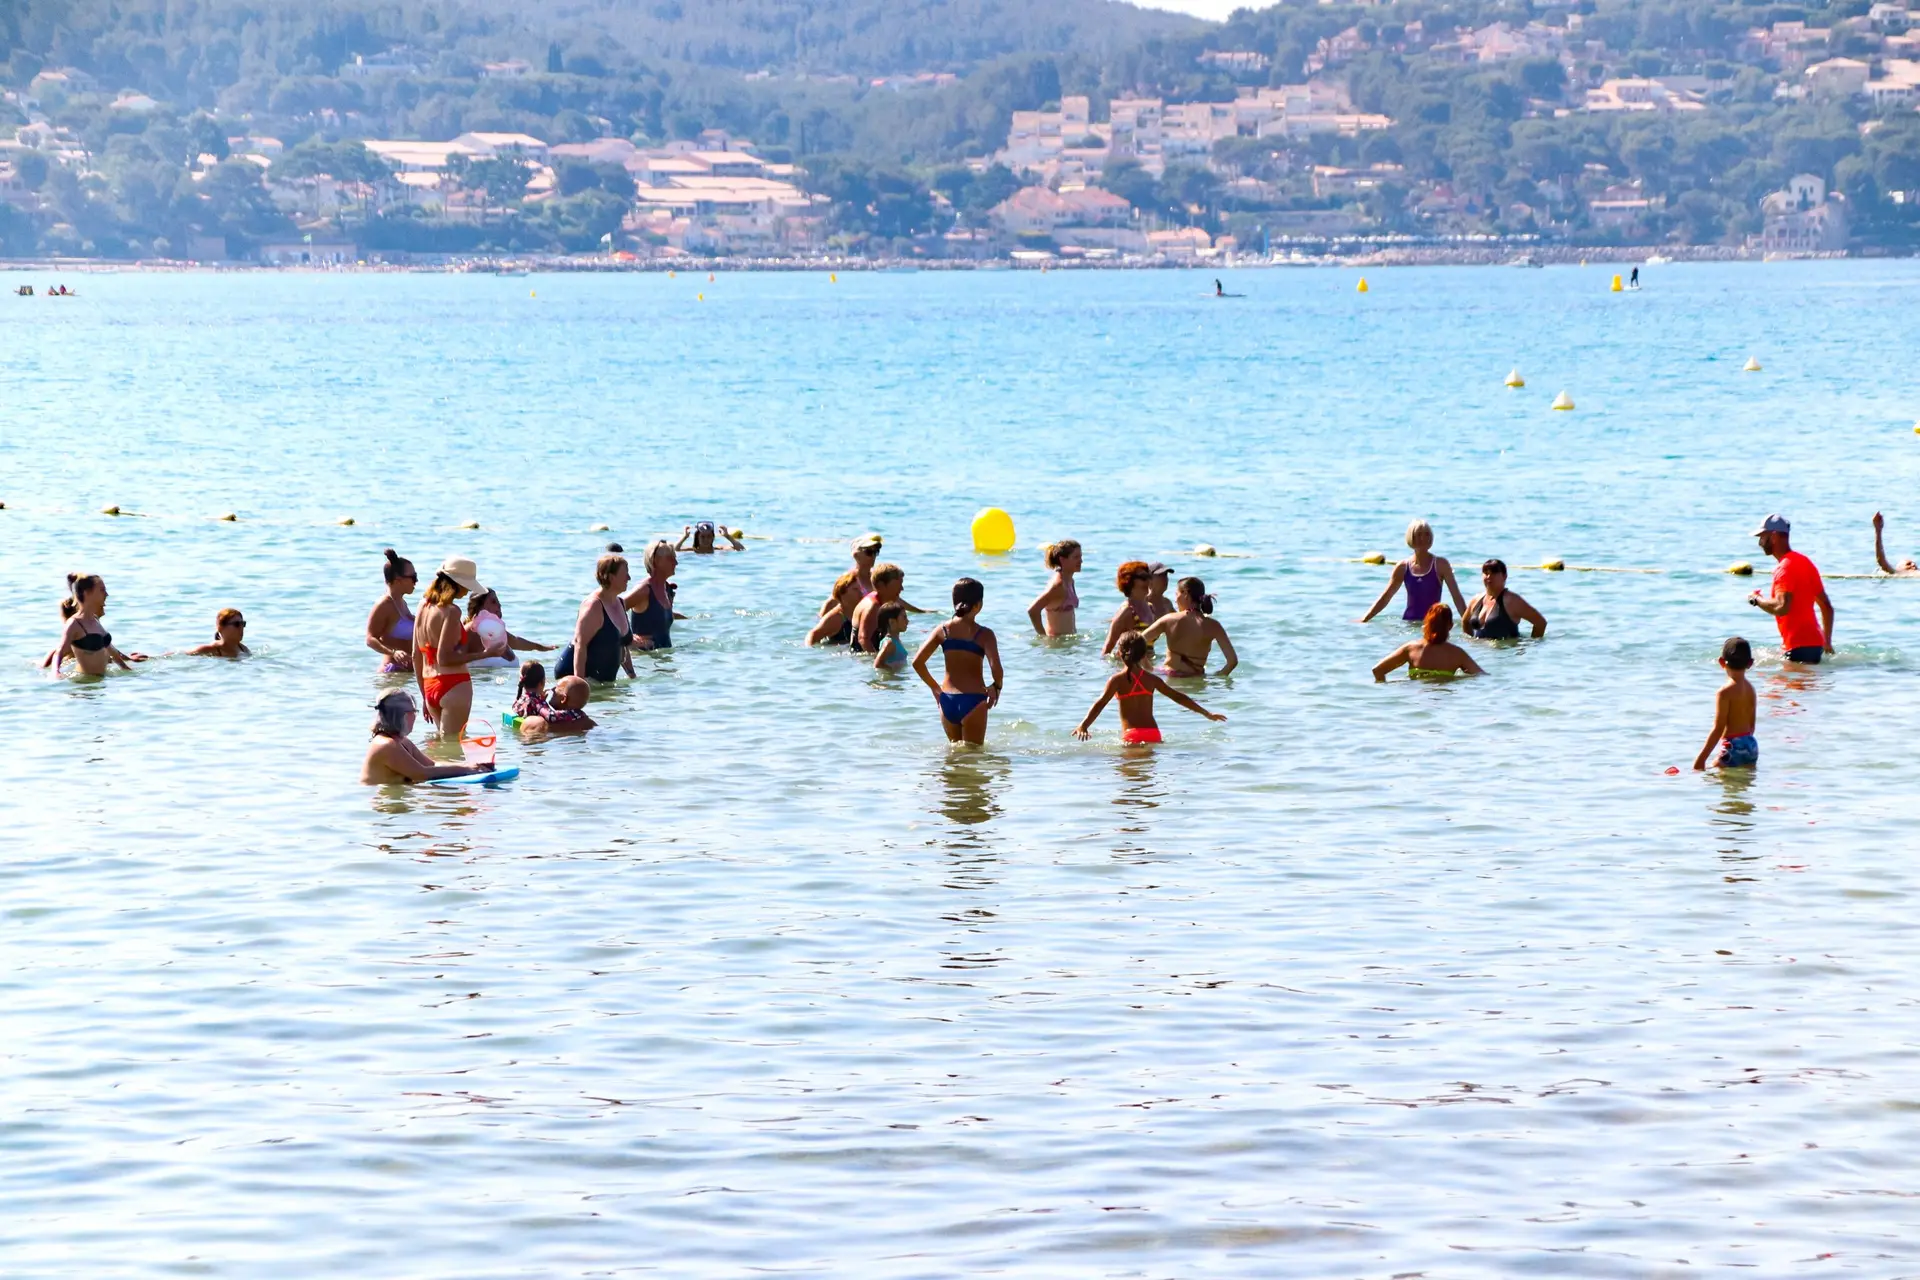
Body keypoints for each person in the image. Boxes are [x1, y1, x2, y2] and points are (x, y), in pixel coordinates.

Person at [1075, 632, 1226, 744]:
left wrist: (1084, 725)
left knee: (1130, 780)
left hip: (1131, 735)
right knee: (1148, 780)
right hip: (1154, 734)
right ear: (1143, 656)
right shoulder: (1152, 679)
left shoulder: (1116, 680)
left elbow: (1100, 703)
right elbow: (1178, 697)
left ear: (1120, 654)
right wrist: (1207, 713)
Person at [413, 557, 506, 739]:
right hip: (453, 684)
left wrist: (424, 695)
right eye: (467, 586)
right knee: (453, 746)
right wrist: (487, 653)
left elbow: (416, 654)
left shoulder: (422, 606)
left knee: (443, 748)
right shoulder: (451, 611)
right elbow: (445, 658)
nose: (468, 590)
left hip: (429, 683)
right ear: (457, 584)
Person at [911, 577, 1004, 745]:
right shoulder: (985, 635)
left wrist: (935, 688)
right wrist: (996, 687)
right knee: (973, 757)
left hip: (947, 700)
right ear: (978, 605)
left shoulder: (942, 630)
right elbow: (996, 667)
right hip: (974, 700)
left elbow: (917, 662)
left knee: (955, 757)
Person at [1748, 514, 1834, 664]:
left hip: (1798, 648)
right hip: (1815, 645)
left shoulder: (1784, 568)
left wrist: (1757, 600)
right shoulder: (1805, 562)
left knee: (1783, 686)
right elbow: (1826, 607)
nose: (1760, 543)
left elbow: (1782, 607)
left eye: (1762, 537)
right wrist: (1826, 642)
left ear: (1774, 537)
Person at [362, 691, 495, 783]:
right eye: (415, 712)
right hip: (385, 812)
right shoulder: (386, 745)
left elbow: (431, 765)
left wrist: (471, 766)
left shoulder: (402, 742)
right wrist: (467, 770)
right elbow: (422, 774)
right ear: (405, 715)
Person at [1359, 519, 1468, 624]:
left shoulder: (1441, 564)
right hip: (1410, 623)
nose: (1423, 538)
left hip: (1434, 623)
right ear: (1411, 538)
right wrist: (1365, 618)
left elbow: (1457, 597)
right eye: (1419, 534)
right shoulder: (1403, 567)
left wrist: (1469, 624)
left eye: (1427, 534)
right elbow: (1386, 597)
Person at [42, 573, 146, 676]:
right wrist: (56, 672)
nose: (106, 594)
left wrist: (126, 667)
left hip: (100, 685)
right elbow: (59, 652)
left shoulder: (95, 620)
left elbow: (110, 649)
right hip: (83, 687)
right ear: (87, 593)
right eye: (102, 590)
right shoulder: (74, 623)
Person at [556, 552, 636, 682]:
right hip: (574, 675)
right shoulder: (593, 606)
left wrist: (632, 675)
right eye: (625, 574)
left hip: (602, 681)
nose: (629, 578)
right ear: (611, 577)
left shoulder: (620, 602)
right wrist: (579, 685)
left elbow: (623, 645)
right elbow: (580, 645)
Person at [1141, 576, 1237, 677]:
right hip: (1198, 682)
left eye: (1176, 594)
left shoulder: (1169, 619)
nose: (1175, 600)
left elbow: (1135, 642)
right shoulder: (1214, 626)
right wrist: (1215, 677)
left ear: (1185, 594)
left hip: (1171, 680)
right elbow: (1232, 661)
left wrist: (1149, 668)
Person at [1692, 637, 1758, 771]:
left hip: (1733, 746)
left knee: (1717, 782)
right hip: (1751, 746)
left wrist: (1700, 760)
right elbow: (1751, 725)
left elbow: (1718, 729)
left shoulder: (1724, 692)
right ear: (1750, 663)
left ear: (1721, 662)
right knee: (1741, 786)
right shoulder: (1751, 689)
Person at [1373, 603, 1485, 681]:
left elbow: (1377, 670)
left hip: (1415, 701)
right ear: (1450, 626)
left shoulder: (1411, 649)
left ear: (1427, 623)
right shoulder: (1457, 654)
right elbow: (1481, 676)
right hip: (1446, 703)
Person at [465, 588, 553, 668]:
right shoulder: (471, 630)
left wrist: (540, 647)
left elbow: (516, 641)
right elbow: (454, 656)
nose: (499, 605)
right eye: (493, 602)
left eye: (498, 601)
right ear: (480, 607)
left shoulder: (495, 631)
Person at [1462, 559, 1547, 640]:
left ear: (1504, 576)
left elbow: (1540, 623)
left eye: (1494, 573)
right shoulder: (1476, 599)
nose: (1489, 576)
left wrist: (1531, 645)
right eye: (1486, 573)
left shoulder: (1512, 600)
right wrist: (1471, 644)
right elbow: (1465, 622)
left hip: (1504, 653)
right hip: (1481, 653)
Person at [624, 539, 684, 651]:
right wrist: (628, 638)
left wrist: (693, 619)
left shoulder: (667, 589)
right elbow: (613, 610)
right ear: (655, 560)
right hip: (645, 661)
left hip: (665, 657)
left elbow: (659, 616)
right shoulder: (644, 590)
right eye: (671, 558)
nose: (676, 563)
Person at [365, 549, 417, 671]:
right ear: (398, 580)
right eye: (413, 577)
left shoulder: (401, 603)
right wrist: (393, 652)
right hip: (392, 672)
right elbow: (370, 639)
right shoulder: (384, 604)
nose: (416, 581)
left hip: (407, 674)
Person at [512, 661, 595, 736]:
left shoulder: (528, 701)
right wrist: (578, 713)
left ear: (563, 699)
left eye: (556, 688)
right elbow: (551, 716)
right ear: (542, 682)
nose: (552, 689)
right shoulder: (586, 723)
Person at [1027, 539, 1083, 636]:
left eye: (1081, 557)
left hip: (1067, 644)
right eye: (1076, 557)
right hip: (1057, 646)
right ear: (1062, 560)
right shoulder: (1058, 586)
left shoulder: (1070, 581)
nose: (1081, 561)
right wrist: (1043, 636)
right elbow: (1033, 610)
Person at [1101, 561, 1157, 656]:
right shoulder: (1126, 611)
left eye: (1149, 577)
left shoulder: (1150, 607)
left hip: (1148, 666)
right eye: (1143, 578)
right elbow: (1107, 648)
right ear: (1129, 581)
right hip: (1129, 667)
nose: (1148, 581)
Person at [852, 562, 906, 652]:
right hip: (861, 656)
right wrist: (877, 660)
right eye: (898, 584)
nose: (901, 588)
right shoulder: (873, 607)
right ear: (882, 585)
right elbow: (863, 639)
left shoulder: (886, 599)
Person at [186, 608, 250, 658]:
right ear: (221, 628)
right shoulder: (209, 650)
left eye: (243, 624)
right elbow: (184, 656)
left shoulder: (244, 650)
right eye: (237, 624)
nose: (241, 628)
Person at [871, 600, 910, 670]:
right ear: (892, 622)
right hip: (892, 680)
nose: (907, 621)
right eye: (904, 617)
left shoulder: (895, 641)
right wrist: (892, 672)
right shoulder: (889, 643)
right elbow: (877, 664)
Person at [678, 520, 745, 554]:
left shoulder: (718, 549)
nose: (706, 539)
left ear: (713, 537)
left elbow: (741, 549)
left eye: (709, 536)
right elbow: (676, 550)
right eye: (703, 537)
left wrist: (727, 536)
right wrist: (684, 537)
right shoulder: (692, 550)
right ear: (697, 537)